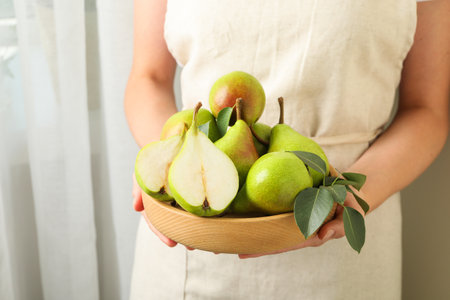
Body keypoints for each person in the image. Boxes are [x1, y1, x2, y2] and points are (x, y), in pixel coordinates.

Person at [124, 0, 449, 299]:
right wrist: (165, 162)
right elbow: (148, 76)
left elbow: (426, 109)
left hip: (343, 239)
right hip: (192, 234)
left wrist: (351, 195)